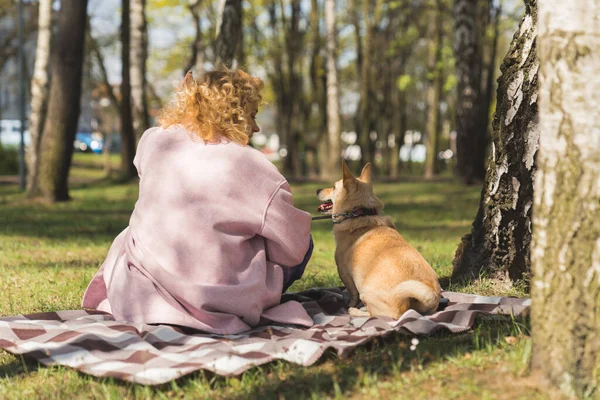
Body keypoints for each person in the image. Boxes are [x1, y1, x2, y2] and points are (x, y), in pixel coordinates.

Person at [82, 69, 314, 335]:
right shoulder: (251, 164)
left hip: (136, 296)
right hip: (214, 301)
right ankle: (234, 296)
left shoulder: (153, 140)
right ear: (234, 114)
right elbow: (294, 247)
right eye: (252, 115)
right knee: (302, 241)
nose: (257, 127)